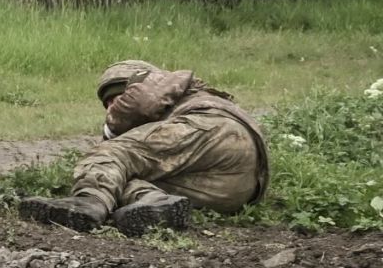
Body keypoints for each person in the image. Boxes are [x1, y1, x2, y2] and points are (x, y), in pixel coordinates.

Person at [21, 60, 269, 236]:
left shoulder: (154, 82)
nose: (111, 108)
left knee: (110, 154)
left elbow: (138, 106)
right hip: (237, 186)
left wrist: (112, 130)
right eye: (107, 104)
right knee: (124, 179)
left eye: (116, 99)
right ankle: (155, 202)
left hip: (211, 128)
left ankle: (87, 203)